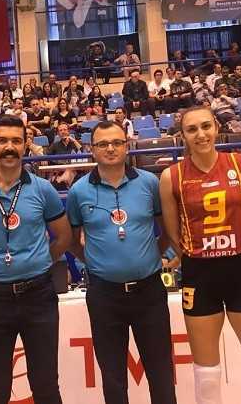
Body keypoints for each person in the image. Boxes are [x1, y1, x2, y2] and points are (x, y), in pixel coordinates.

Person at [159, 106, 241, 404]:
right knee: (206, 376)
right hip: (199, 276)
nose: (200, 134)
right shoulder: (171, 176)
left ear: (216, 127)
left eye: (206, 126)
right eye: (192, 129)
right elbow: (174, 234)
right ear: (183, 136)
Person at [0, 114, 72, 404]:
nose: (9, 147)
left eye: (16, 141)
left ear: (25, 145)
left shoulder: (43, 189)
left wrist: (40, 261)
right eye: (2, 140)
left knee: (46, 387)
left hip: (38, 296)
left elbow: (64, 237)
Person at [66, 120, 177, 404]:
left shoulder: (149, 183)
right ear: (92, 149)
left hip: (149, 292)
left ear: (127, 146)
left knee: (161, 373)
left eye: (117, 142)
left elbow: (167, 230)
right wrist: (94, 262)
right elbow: (72, 240)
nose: (110, 149)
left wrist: (152, 254)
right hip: (104, 295)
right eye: (103, 144)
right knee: (113, 377)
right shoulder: (78, 191)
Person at [48, 123, 82, 189]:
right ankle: (64, 184)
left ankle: (61, 182)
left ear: (68, 132)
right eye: (60, 130)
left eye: (65, 130)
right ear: (58, 134)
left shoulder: (75, 143)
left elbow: (83, 153)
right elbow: (47, 157)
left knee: (69, 169)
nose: (63, 132)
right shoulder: (55, 145)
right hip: (59, 170)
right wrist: (60, 162)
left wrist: (74, 141)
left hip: (74, 170)